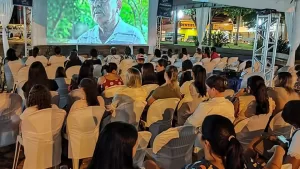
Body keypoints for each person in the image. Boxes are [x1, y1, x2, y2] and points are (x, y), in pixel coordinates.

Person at [77, 0, 146, 44]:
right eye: (92, 0)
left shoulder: (134, 37)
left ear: (118, 5)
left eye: (102, 0)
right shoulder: (83, 40)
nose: (96, 4)